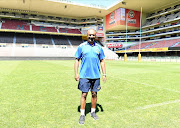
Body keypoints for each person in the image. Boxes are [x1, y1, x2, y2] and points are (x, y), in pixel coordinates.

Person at [74, 29, 106, 125]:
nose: (91, 37)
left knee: (94, 94)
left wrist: (104, 74)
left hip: (96, 76)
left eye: (93, 35)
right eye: (89, 35)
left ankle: (93, 112)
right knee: (84, 95)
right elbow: (76, 60)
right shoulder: (81, 47)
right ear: (86, 36)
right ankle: (82, 114)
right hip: (84, 75)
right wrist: (76, 73)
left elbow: (102, 61)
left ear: (95, 36)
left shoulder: (99, 48)